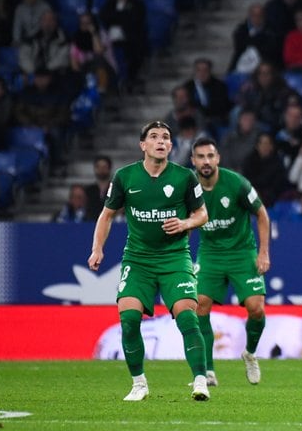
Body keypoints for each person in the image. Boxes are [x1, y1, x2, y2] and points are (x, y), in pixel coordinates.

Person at [87, 121, 210, 402]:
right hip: (138, 259)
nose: (160, 141)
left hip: (174, 258)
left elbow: (202, 214)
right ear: (143, 145)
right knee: (129, 319)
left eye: (166, 137)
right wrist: (97, 249)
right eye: (153, 137)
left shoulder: (184, 177)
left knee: (188, 316)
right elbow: (107, 215)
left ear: (170, 146)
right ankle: (139, 383)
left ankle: (200, 380)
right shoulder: (125, 177)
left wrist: (184, 223)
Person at [190, 138, 270, 387]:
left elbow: (261, 214)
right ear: (193, 161)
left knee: (256, 308)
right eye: (200, 157)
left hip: (242, 252)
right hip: (210, 253)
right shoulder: (188, 186)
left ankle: (250, 353)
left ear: (218, 159)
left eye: (210, 156)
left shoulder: (236, 183)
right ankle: (208, 371)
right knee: (199, 305)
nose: (206, 161)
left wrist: (263, 252)